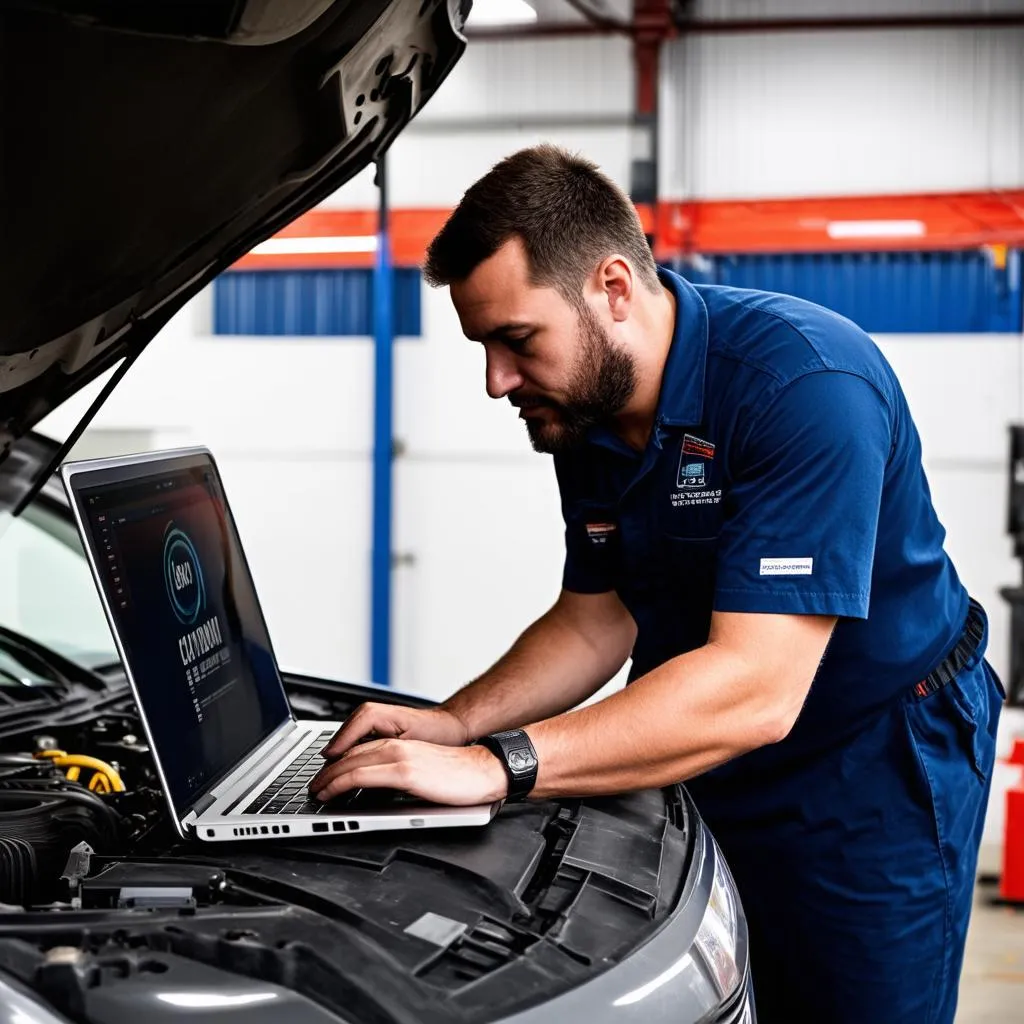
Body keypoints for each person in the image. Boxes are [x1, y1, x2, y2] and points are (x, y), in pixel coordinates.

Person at [308, 145, 1004, 1023]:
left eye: (516, 340)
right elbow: (598, 616)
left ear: (612, 288)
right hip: (708, 738)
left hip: (869, 761)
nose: (496, 382)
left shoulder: (804, 384)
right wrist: (457, 721)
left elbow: (756, 690)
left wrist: (500, 765)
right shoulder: (586, 413)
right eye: (482, 346)